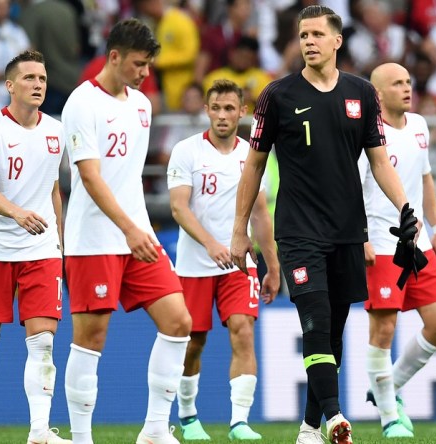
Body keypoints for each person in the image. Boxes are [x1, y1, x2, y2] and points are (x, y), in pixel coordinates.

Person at [229, 6, 418, 444]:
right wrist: (240, 230)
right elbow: (254, 165)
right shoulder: (276, 96)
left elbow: (378, 159)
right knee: (314, 318)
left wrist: (407, 208)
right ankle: (335, 417)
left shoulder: (362, 94)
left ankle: (309, 429)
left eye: (317, 34)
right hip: (297, 230)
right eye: (302, 34)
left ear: (336, 41)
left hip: (348, 230)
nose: (308, 41)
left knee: (332, 330)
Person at [61, 19, 191, 444]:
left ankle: (155, 429)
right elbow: (92, 177)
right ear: (113, 57)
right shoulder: (82, 103)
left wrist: (139, 229)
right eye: (139, 64)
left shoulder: (142, 105)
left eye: (149, 65)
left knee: (178, 321)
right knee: (91, 339)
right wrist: (130, 228)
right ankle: (81, 438)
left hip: (137, 235)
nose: (145, 73)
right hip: (95, 238)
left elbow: (128, 176)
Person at [0, 49, 70, 444]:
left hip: (41, 250)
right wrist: (18, 214)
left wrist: (59, 241)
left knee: (43, 341)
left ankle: (40, 432)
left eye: (42, 79)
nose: (38, 85)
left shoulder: (56, 131)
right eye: (29, 78)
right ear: (10, 86)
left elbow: (54, 190)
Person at [167, 79, 280, 441]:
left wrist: (272, 266)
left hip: (239, 263)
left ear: (242, 112)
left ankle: (240, 422)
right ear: (206, 110)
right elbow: (178, 207)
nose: (222, 115)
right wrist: (211, 243)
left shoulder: (252, 155)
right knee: (193, 341)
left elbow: (261, 213)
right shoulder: (187, 151)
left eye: (229, 108)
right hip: (193, 264)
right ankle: (187, 417)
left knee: (243, 331)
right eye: (216, 108)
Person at [360, 63, 436, 439]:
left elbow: (425, 178)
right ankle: (389, 418)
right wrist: (360, 236)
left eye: (408, 81)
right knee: (384, 329)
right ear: (378, 94)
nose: (407, 88)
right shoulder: (366, 133)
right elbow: (352, 188)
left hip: (419, 244)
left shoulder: (419, 125)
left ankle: (388, 386)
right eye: (398, 83)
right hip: (381, 243)